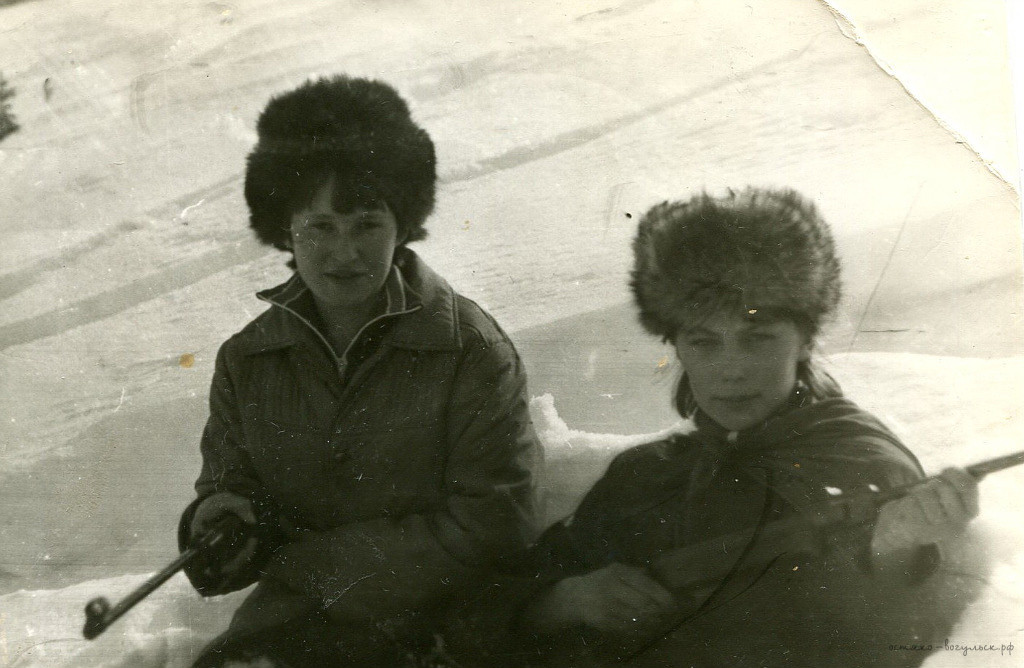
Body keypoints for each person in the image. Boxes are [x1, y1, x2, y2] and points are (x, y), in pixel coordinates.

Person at [449, 187, 981, 668]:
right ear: (676, 346)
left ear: (805, 340)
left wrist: (891, 559)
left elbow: (886, 646)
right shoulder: (646, 476)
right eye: (704, 341)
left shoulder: (864, 469)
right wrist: (565, 601)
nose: (731, 369)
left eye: (758, 338)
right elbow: (472, 621)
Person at [177, 75, 541, 668]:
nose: (344, 253)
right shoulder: (247, 360)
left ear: (404, 226)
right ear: (285, 230)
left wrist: (311, 567)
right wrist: (220, 524)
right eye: (320, 226)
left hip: (443, 625)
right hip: (293, 624)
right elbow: (231, 488)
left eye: (367, 224)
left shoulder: (469, 349)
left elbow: (500, 522)